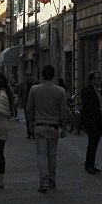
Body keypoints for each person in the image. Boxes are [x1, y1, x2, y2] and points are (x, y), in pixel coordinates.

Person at [26, 65, 68, 193]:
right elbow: (63, 111)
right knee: (52, 154)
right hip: (53, 126)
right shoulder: (60, 91)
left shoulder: (34, 90)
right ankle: (52, 179)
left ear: (42, 75)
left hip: (39, 125)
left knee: (41, 154)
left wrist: (31, 122)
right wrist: (64, 127)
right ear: (54, 75)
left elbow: (29, 108)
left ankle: (43, 181)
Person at [81, 71, 102, 174]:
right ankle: (89, 165)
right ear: (92, 80)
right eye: (98, 78)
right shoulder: (87, 90)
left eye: (100, 78)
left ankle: (91, 164)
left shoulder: (98, 90)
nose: (100, 80)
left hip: (98, 120)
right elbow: (87, 106)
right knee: (92, 143)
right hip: (92, 120)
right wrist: (98, 110)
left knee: (94, 143)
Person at [18, 73, 34, 138]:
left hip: (34, 104)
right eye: (27, 75)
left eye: (30, 75)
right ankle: (29, 133)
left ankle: (33, 132)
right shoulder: (22, 84)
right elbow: (20, 94)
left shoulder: (35, 84)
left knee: (33, 118)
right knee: (27, 119)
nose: (29, 77)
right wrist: (20, 102)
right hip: (26, 103)